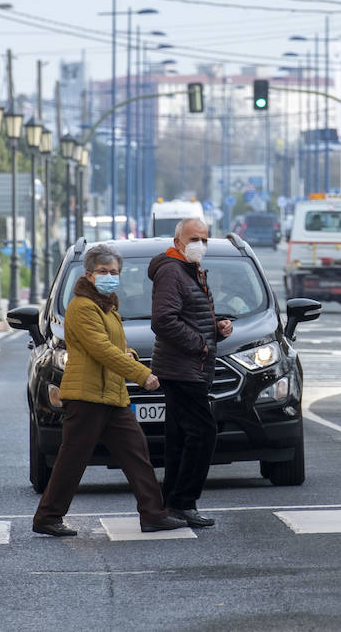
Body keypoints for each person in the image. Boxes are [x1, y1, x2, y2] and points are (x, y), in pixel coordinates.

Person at [33, 244, 188, 537]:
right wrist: (142, 374)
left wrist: (129, 354)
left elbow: (113, 346)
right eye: (103, 272)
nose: (109, 276)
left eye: (114, 272)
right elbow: (100, 349)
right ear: (89, 274)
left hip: (112, 394)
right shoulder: (82, 307)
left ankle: (153, 514)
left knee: (136, 453)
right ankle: (47, 517)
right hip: (87, 396)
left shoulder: (107, 306)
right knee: (72, 459)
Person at [148, 217, 233, 527]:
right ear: (178, 242)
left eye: (205, 239)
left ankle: (173, 501)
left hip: (187, 367)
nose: (200, 244)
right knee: (203, 432)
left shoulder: (189, 270)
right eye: (194, 238)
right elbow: (163, 321)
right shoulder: (172, 272)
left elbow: (188, 315)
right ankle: (184, 501)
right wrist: (201, 343)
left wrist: (215, 327)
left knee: (181, 437)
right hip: (182, 369)